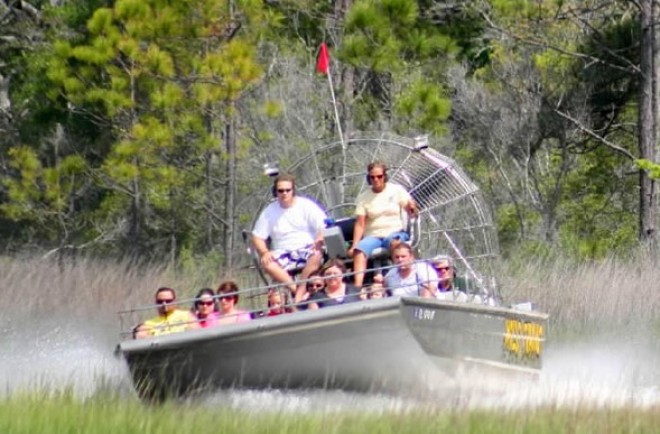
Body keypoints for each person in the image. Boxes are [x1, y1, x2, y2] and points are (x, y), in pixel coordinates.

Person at [252, 174, 327, 296]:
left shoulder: (306, 205)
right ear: (275, 192)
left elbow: (323, 225)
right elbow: (257, 237)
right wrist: (264, 252)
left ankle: (300, 292)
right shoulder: (269, 212)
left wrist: (318, 239)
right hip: (283, 252)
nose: (284, 193)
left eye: (288, 190)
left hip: (307, 248)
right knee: (267, 263)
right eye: (280, 191)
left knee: (317, 254)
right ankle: (297, 291)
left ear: (293, 190)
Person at [348, 161, 418, 289]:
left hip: (393, 232)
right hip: (373, 236)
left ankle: (399, 279)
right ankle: (357, 288)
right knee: (359, 251)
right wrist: (354, 245)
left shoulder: (396, 190)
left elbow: (411, 210)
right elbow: (360, 223)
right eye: (372, 177)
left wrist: (412, 208)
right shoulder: (364, 197)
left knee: (395, 244)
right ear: (368, 178)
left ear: (384, 176)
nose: (376, 180)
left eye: (379, 176)